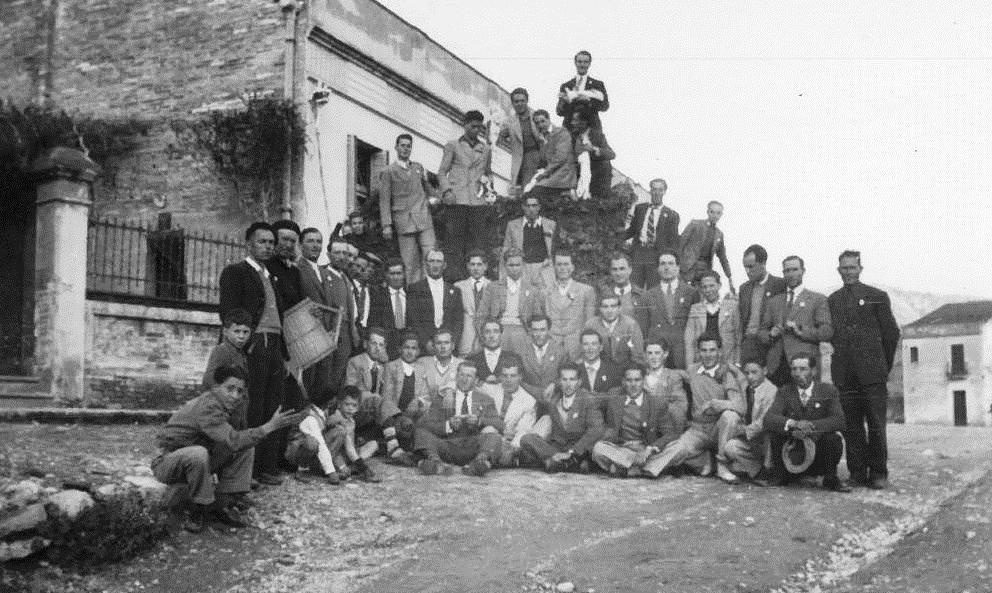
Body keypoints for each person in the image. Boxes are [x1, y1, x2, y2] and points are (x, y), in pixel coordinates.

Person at [152, 366, 304, 532]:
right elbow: (233, 440)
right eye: (230, 389)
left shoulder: (222, 406)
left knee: (246, 448)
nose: (235, 396)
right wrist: (268, 427)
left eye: (240, 391)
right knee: (200, 453)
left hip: (192, 462)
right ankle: (198, 510)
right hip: (167, 463)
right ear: (216, 387)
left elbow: (236, 440)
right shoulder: (208, 406)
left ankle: (223, 503)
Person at [218, 222, 287, 485]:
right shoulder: (236, 272)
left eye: (271, 242)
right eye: (262, 241)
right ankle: (246, 471)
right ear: (249, 244)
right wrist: (245, 345)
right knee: (251, 406)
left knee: (272, 405)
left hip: (275, 345)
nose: (268, 246)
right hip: (255, 343)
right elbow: (229, 312)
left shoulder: (272, 276)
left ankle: (266, 467)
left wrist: (284, 352)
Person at [828, 250, 900, 490]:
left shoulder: (877, 297)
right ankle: (857, 472)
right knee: (852, 425)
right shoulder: (833, 300)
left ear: (860, 268)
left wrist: (882, 366)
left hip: (872, 375)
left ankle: (879, 472)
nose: (848, 272)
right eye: (843, 268)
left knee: (877, 425)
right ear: (838, 271)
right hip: (845, 375)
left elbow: (891, 335)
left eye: (852, 267)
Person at [642, 334, 744, 481]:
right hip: (698, 429)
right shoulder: (692, 370)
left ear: (720, 352)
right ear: (698, 352)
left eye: (712, 350)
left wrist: (718, 404)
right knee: (678, 448)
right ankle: (644, 467)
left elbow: (740, 406)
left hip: (719, 429)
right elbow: (673, 374)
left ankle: (722, 466)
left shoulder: (727, 374)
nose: (708, 355)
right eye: (704, 350)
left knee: (730, 416)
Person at [763, 353, 851, 492]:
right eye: (794, 369)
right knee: (775, 432)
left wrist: (810, 428)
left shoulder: (828, 390)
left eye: (803, 369)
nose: (797, 373)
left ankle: (830, 478)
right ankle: (781, 475)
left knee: (833, 439)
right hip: (793, 451)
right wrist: (794, 424)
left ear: (814, 371)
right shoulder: (784, 391)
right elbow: (769, 418)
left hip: (818, 451)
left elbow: (839, 420)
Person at [413, 361, 504, 477]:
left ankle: (478, 463)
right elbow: (426, 424)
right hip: (447, 445)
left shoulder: (486, 399)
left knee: (494, 437)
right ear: (456, 377)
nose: (464, 379)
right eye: (461, 375)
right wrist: (447, 425)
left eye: (469, 376)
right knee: (421, 432)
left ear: (476, 381)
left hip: (473, 446)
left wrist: (479, 421)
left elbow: (499, 424)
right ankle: (435, 462)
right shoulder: (442, 399)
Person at [592, 365, 683, 477]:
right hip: (622, 450)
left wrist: (652, 448)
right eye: (629, 380)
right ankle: (644, 469)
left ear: (643, 381)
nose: (633, 385)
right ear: (623, 382)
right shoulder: (614, 399)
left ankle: (628, 468)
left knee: (679, 446)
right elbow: (592, 402)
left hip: (646, 451)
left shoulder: (656, 403)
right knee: (598, 448)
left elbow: (670, 433)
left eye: (637, 380)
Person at [758, 256, 833, 387]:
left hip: (804, 365)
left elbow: (827, 332)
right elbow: (761, 332)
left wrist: (801, 330)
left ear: (803, 271)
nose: (791, 274)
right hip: (776, 366)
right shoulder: (774, 301)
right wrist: (771, 335)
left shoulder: (817, 299)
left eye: (794, 269)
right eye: (787, 271)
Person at [437, 110, 494, 278]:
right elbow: (441, 172)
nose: (476, 130)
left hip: (477, 201)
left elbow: (488, 172)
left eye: (479, 127)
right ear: (465, 125)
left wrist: (489, 190)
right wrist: (447, 191)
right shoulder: (452, 145)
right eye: (473, 126)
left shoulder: (485, 149)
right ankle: (454, 279)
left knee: (476, 243)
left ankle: (474, 279)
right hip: (457, 200)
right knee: (454, 242)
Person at [300, 231, 358, 395]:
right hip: (329, 334)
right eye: (337, 253)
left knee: (338, 380)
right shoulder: (324, 274)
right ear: (329, 255)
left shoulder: (345, 278)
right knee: (325, 381)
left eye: (345, 253)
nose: (342, 257)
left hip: (345, 337)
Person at [518, 363, 605, 473]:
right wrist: (519, 382)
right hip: (556, 448)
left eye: (572, 379)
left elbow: (596, 429)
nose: (568, 384)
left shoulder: (588, 399)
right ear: (559, 382)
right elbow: (536, 392)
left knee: (589, 450)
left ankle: (561, 462)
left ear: (579, 382)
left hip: (578, 449)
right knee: (527, 439)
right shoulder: (553, 398)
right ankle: (565, 463)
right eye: (564, 379)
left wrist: (573, 451)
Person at [288, 386, 380, 485]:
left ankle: (347, 468)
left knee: (373, 444)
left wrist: (362, 467)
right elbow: (324, 446)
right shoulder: (334, 417)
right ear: (339, 404)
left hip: (336, 453)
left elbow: (350, 448)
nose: (350, 408)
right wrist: (336, 469)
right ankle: (323, 469)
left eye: (354, 405)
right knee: (339, 433)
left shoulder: (351, 421)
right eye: (347, 404)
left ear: (358, 407)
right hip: (320, 454)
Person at [379, 134, 437, 284]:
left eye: (408, 146)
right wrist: (386, 225)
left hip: (423, 217)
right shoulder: (388, 171)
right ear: (396, 147)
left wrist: (434, 198)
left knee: (431, 256)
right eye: (402, 145)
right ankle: (412, 295)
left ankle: (430, 292)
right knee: (409, 262)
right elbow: (384, 199)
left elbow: (427, 187)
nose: (405, 148)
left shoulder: (417, 168)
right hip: (403, 221)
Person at [343, 327, 405, 460]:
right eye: (374, 343)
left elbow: (387, 393)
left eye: (381, 345)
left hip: (373, 414)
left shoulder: (383, 365)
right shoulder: (355, 362)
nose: (377, 348)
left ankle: (380, 443)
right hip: (355, 411)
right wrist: (371, 397)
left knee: (402, 422)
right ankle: (392, 446)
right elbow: (350, 391)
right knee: (377, 400)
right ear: (365, 344)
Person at [476, 248, 545, 356]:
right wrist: (484, 336)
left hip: (522, 330)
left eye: (518, 265)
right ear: (505, 266)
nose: (514, 269)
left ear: (523, 266)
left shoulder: (532, 290)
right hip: (499, 329)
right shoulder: (493, 287)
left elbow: (537, 317)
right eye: (511, 265)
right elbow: (481, 315)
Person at [722, 359, 778, 485]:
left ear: (764, 371)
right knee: (730, 447)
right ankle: (757, 471)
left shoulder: (771, 391)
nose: (750, 377)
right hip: (752, 440)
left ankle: (768, 468)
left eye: (754, 372)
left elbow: (765, 420)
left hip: (764, 438)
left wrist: (745, 430)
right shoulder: (748, 387)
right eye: (747, 373)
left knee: (771, 434)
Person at [644, 249, 700, 369]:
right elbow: (644, 327)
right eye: (663, 264)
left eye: (670, 263)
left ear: (678, 267)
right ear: (658, 269)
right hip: (658, 354)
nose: (666, 267)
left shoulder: (691, 292)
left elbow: (696, 325)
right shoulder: (648, 295)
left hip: (683, 352)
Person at [381, 332, 431, 459]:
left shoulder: (421, 369)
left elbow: (425, 394)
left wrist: (420, 403)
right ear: (400, 349)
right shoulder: (391, 367)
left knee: (424, 418)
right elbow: (387, 395)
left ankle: (421, 449)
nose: (410, 352)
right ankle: (393, 446)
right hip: (395, 415)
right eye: (406, 348)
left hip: (413, 413)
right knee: (389, 407)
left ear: (418, 351)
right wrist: (400, 414)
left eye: (413, 348)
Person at [625, 178, 681, 289]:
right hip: (638, 253)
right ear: (650, 190)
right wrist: (615, 238)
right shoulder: (640, 208)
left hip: (656, 256)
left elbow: (673, 242)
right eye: (654, 189)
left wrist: (672, 263)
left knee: (654, 289)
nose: (657, 193)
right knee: (635, 287)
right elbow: (632, 230)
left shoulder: (672, 215)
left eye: (660, 190)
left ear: (664, 192)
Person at [406, 249, 464, 355]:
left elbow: (458, 320)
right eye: (432, 261)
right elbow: (414, 319)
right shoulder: (415, 288)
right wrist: (425, 342)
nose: (435, 265)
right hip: (425, 347)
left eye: (439, 261)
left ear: (444, 265)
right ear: (425, 264)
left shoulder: (454, 290)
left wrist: (452, 342)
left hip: (448, 346)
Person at [738, 244, 787, 365]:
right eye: (745, 267)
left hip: (771, 344)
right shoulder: (744, 288)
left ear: (763, 263)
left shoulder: (780, 285)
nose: (747, 271)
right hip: (748, 345)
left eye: (751, 267)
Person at [485, 361, 541, 467]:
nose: (508, 380)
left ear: (520, 377)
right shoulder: (489, 390)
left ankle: (495, 460)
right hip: (490, 437)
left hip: (510, 442)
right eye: (505, 376)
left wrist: (508, 445)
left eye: (513, 376)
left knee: (520, 441)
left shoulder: (529, 401)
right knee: (488, 431)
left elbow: (523, 430)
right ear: (500, 377)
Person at [544, 250, 597, 360]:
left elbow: (589, 324)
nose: (562, 268)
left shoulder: (586, 291)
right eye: (559, 264)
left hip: (576, 346)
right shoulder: (545, 293)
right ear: (554, 267)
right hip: (552, 346)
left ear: (572, 267)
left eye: (566, 264)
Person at [685, 270, 741, 367]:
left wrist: (737, 363)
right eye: (704, 287)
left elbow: (738, 337)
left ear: (719, 285)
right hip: (702, 362)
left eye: (711, 286)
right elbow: (689, 341)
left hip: (727, 361)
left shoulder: (732, 306)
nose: (708, 290)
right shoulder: (695, 309)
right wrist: (690, 366)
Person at [502, 194, 556, 289]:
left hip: (544, 267)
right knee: (522, 298)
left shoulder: (550, 225)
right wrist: (503, 276)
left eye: (534, 205)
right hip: (523, 268)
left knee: (545, 298)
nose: (531, 209)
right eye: (528, 206)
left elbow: (556, 249)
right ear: (523, 207)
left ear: (539, 207)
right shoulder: (512, 225)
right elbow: (506, 250)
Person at [525, 109, 578, 204]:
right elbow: (543, 160)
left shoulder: (561, 133)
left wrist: (542, 175)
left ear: (549, 120)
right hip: (552, 174)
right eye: (537, 123)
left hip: (563, 175)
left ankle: (569, 192)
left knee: (535, 193)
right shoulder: (542, 138)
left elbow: (560, 158)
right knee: (529, 193)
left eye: (543, 121)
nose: (540, 125)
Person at [678, 201, 733, 290]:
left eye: (718, 213)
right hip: (687, 268)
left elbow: (722, 257)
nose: (715, 215)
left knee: (700, 297)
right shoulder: (695, 224)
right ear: (707, 212)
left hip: (704, 271)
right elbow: (680, 244)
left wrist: (729, 276)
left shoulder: (719, 234)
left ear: (721, 215)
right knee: (683, 295)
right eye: (712, 212)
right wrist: (676, 265)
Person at [497, 87, 543, 194]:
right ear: (512, 103)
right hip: (521, 159)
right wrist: (514, 148)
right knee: (524, 190)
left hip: (538, 156)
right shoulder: (509, 122)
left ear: (527, 101)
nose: (520, 104)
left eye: (522, 101)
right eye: (516, 101)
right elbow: (499, 139)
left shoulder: (536, 116)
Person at [584, 292, 645, 366]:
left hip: (624, 370)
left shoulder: (630, 325)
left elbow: (637, 356)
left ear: (619, 308)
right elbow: (584, 353)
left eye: (613, 306)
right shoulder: (591, 325)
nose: (609, 310)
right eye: (605, 307)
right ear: (600, 308)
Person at [642, 339, 689, 435]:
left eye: (657, 353)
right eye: (650, 353)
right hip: (643, 428)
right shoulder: (639, 376)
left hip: (667, 428)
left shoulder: (673, 377)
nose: (653, 357)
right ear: (645, 356)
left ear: (665, 354)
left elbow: (681, 407)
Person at [556, 50, 609, 132]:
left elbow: (605, 106)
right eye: (579, 62)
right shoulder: (566, 86)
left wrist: (589, 101)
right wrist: (565, 101)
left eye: (585, 62)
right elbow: (559, 112)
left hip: (591, 127)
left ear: (589, 63)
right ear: (575, 63)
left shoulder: (598, 84)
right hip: (570, 127)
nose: (582, 65)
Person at [467, 320, 524, 397]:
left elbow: (520, 385)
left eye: (496, 331)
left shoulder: (514, 358)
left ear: (501, 334)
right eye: (487, 332)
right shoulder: (471, 360)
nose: (491, 336)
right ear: (482, 335)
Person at [599, 253, 650, 336]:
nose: (618, 273)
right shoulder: (603, 296)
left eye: (622, 269)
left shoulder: (642, 296)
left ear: (630, 270)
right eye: (614, 269)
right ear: (610, 272)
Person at [519, 314, 567, 399]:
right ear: (530, 331)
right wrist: (537, 393)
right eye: (535, 330)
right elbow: (519, 380)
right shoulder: (521, 352)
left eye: (542, 330)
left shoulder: (561, 351)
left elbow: (566, 376)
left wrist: (554, 385)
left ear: (549, 330)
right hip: (528, 399)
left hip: (554, 399)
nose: (539, 334)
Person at [576, 328, 624, 413]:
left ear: (601, 347)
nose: (590, 348)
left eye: (594, 344)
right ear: (580, 347)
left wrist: (595, 398)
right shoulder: (574, 370)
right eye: (586, 344)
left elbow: (615, 398)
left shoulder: (613, 370)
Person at [369, 257, 409, 358]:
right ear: (386, 275)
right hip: (387, 346)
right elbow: (374, 324)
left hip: (408, 345)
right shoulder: (378, 296)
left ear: (404, 274)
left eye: (399, 273)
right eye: (392, 273)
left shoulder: (412, 295)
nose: (396, 277)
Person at [570, 109, 615, 200]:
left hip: (598, 180)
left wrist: (593, 149)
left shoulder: (597, 136)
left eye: (575, 120)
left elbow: (611, 154)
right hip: (578, 179)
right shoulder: (573, 136)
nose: (572, 123)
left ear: (584, 122)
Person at [453, 249, 491, 356]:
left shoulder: (492, 286)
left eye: (479, 264)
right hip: (467, 332)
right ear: (467, 266)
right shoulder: (458, 287)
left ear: (485, 266)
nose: (475, 268)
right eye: (472, 264)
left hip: (486, 331)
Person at [203, 308, 251, 390]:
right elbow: (209, 380)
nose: (241, 336)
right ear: (225, 331)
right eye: (237, 331)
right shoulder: (222, 350)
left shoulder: (241, 353)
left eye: (245, 332)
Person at [417, 327, 464, 398]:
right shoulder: (422, 362)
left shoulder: (462, 364)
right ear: (433, 346)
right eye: (439, 343)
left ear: (453, 346)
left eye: (446, 343)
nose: (443, 347)